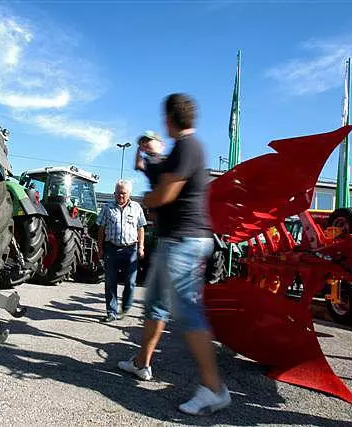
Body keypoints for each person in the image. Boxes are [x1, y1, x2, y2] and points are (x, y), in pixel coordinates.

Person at [118, 93, 231, 415]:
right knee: (155, 305)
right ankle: (142, 363)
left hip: (185, 241)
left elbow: (165, 193)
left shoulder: (188, 147)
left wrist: (147, 199)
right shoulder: (181, 150)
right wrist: (150, 163)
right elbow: (160, 173)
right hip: (173, 241)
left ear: (169, 118)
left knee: (188, 312)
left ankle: (214, 388)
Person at [96, 179, 147, 322]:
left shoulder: (136, 208)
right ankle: (111, 312)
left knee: (130, 282)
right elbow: (101, 228)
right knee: (110, 281)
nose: (120, 196)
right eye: (117, 193)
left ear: (129, 193)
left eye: (123, 193)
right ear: (114, 193)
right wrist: (100, 248)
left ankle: (125, 307)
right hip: (111, 248)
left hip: (131, 249)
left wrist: (141, 247)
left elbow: (141, 228)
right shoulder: (107, 208)